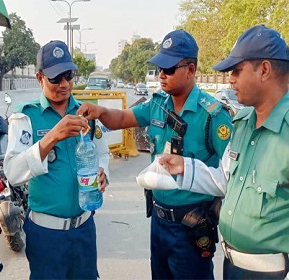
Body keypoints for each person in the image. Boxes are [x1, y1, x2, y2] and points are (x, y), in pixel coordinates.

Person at [159, 25, 289, 279]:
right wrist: (185, 167)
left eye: (237, 71)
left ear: (264, 70)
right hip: (233, 268)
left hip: (277, 273)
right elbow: (226, 180)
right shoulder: (243, 123)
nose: (230, 79)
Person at [77, 30, 233, 279]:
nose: (161, 74)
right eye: (160, 67)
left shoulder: (213, 116)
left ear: (191, 70)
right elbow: (122, 118)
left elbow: (233, 175)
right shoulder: (158, 104)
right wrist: (100, 110)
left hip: (192, 227)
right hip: (159, 223)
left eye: (169, 68)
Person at [3, 40, 110, 279]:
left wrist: (103, 172)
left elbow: (102, 153)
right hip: (46, 234)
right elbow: (12, 172)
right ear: (40, 78)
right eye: (55, 78)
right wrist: (52, 137)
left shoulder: (86, 112)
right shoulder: (26, 116)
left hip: (84, 229)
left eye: (68, 75)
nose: (64, 84)